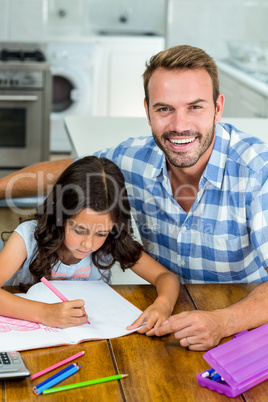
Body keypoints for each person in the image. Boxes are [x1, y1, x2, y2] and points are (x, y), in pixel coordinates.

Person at [0, 44, 268, 350]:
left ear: (218, 108)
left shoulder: (258, 170)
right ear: (148, 110)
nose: (179, 125)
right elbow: (68, 172)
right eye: (164, 108)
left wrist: (224, 322)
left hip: (241, 319)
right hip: (163, 320)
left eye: (195, 107)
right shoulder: (133, 158)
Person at [0, 156, 179, 331]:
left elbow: (165, 276)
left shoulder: (112, 242)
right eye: (79, 230)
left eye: (101, 233)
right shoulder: (27, 238)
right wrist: (45, 312)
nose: (88, 244)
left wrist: (163, 304)